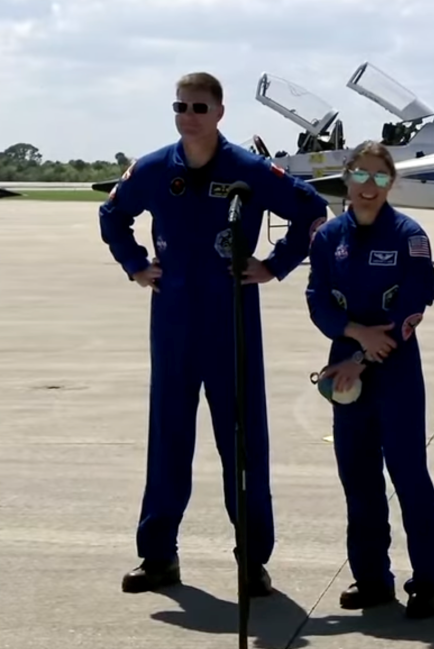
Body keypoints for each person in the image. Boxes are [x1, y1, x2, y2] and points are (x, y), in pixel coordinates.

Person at [98, 71, 330, 596]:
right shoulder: (154, 169)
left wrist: (275, 265)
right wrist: (135, 265)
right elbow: (113, 215)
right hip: (174, 322)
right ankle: (158, 556)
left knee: (243, 444)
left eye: (199, 107)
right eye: (180, 107)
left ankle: (253, 561)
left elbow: (311, 211)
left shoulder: (249, 170)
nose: (188, 116)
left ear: (220, 112)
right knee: (169, 440)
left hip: (232, 322)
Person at [305, 140, 434, 619]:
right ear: (347, 178)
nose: (370, 186)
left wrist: (364, 355)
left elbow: (413, 304)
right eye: (361, 175)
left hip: (395, 368)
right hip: (344, 360)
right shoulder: (328, 238)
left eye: (381, 177)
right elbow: (318, 299)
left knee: (409, 476)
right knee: (358, 476)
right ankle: (371, 578)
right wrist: (353, 335)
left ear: (392, 182)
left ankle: (429, 582)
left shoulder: (409, 236)